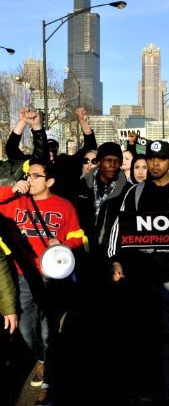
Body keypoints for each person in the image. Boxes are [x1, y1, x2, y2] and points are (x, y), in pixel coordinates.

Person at [108, 140, 169, 404]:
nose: (154, 164)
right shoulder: (135, 193)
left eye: (160, 159)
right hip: (142, 273)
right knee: (144, 331)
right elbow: (119, 230)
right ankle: (147, 389)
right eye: (151, 159)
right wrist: (115, 260)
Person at [0, 159, 85, 406]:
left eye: (36, 176)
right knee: (26, 329)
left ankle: (48, 378)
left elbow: (77, 238)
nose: (30, 179)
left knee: (49, 329)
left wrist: (64, 246)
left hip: (52, 277)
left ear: (50, 181)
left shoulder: (64, 206)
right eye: (28, 175)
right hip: (23, 275)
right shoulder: (13, 201)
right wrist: (11, 190)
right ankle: (40, 357)